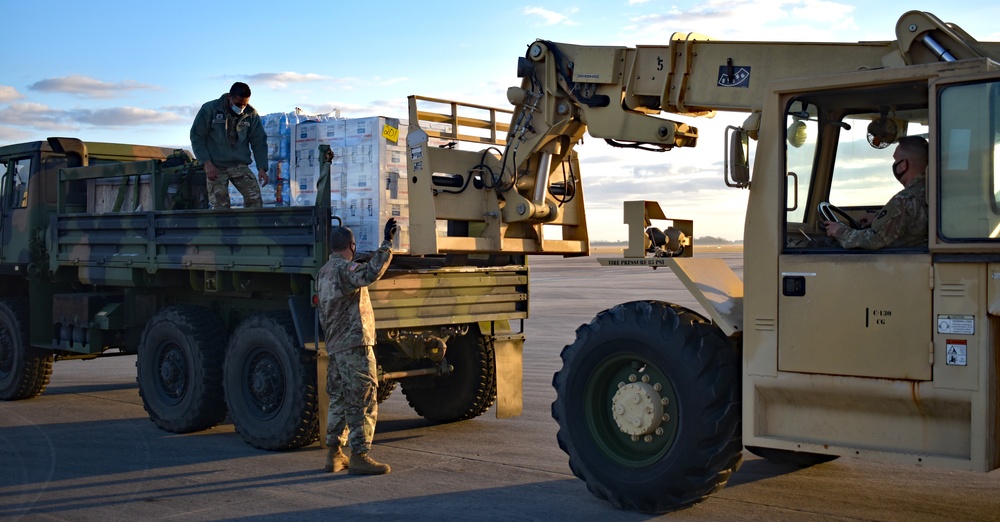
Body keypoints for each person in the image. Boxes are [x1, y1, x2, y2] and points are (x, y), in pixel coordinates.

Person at [317, 218, 398, 475]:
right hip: (354, 346)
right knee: (362, 400)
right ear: (351, 246)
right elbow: (371, 273)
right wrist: (387, 243)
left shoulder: (324, 272)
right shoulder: (345, 271)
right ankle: (360, 455)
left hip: (336, 347)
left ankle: (334, 454)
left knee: (340, 400)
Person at [825, 135, 928, 249]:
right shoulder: (932, 192)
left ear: (903, 165)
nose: (894, 164)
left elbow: (873, 240)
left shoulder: (904, 200)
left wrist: (840, 231)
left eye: (895, 160)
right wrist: (878, 218)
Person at [190, 82, 269, 208]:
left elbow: (259, 141)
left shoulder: (250, 114)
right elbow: (197, 136)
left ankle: (251, 227)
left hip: (238, 165)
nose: (241, 107)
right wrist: (206, 163)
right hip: (216, 166)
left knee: (254, 199)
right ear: (229, 97)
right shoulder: (210, 109)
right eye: (238, 104)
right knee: (221, 206)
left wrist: (262, 167)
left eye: (245, 104)